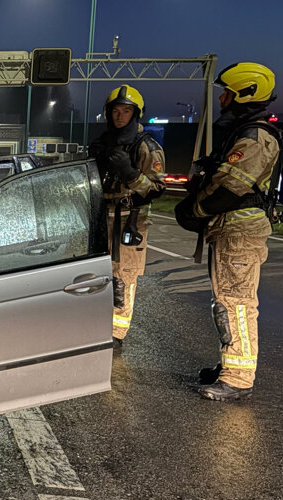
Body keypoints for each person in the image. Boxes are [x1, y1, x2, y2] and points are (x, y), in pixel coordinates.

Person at [175, 62, 281, 401]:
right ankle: (230, 367)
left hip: (239, 231)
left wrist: (194, 210)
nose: (222, 99)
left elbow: (231, 187)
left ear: (245, 94)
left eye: (228, 94)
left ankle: (238, 379)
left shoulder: (255, 138)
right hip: (230, 229)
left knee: (236, 303)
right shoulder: (242, 134)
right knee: (227, 301)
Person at [87, 85, 166, 350]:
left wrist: (130, 173)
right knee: (96, 274)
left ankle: (116, 334)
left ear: (135, 114)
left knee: (123, 277)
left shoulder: (146, 147)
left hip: (130, 220)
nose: (120, 116)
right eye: (116, 111)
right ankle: (96, 326)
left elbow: (156, 189)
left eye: (126, 111)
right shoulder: (101, 144)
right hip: (100, 217)